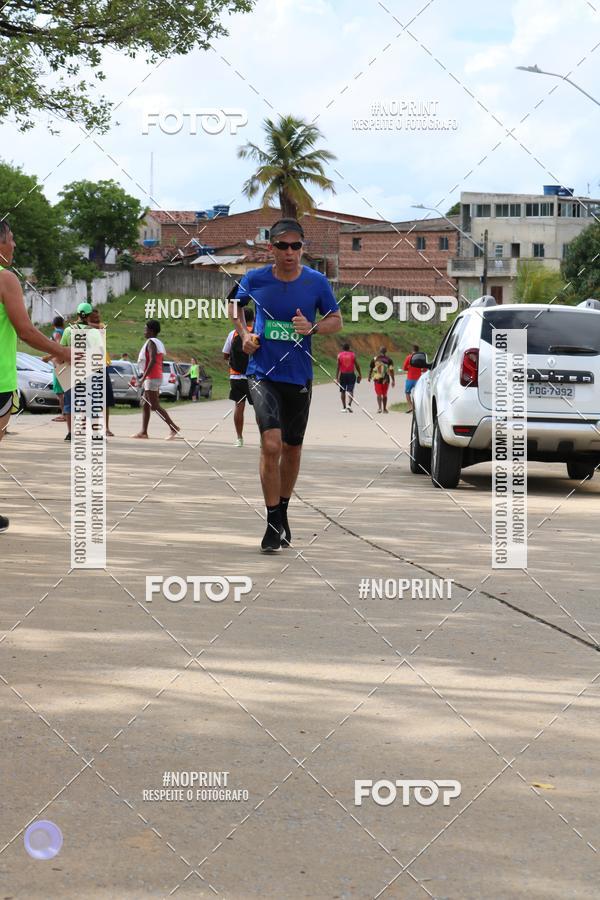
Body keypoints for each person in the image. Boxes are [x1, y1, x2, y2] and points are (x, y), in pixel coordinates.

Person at [230, 218, 342, 553]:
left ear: (303, 248)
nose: (290, 252)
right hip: (262, 373)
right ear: (271, 247)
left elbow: (336, 320)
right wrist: (245, 334)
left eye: (296, 246)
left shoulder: (316, 282)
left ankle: (282, 510)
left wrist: (312, 328)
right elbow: (234, 304)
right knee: (272, 444)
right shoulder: (255, 278)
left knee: (292, 448)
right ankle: (271, 519)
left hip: (298, 376)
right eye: (282, 246)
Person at [0, 222, 71, 532]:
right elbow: (25, 331)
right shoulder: (5, 279)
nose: (14, 246)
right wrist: (64, 352)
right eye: (12, 240)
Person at [133, 319, 181, 440]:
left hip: (152, 377)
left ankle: (173, 427)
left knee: (154, 406)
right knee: (145, 403)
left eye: (145, 329)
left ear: (151, 331)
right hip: (154, 376)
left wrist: (143, 378)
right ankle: (144, 432)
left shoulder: (151, 342)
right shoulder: (157, 342)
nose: (144, 331)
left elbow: (153, 360)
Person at [59, 302, 96, 441]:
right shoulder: (92, 332)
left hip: (69, 369)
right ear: (89, 315)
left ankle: (70, 433)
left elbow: (61, 350)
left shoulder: (68, 330)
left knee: (69, 403)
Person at [222, 305, 255, 446]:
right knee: (260, 409)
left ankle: (239, 438)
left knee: (239, 407)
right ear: (253, 319)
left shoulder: (234, 333)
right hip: (253, 377)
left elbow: (225, 355)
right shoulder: (256, 333)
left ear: (241, 319)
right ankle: (263, 438)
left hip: (236, 377)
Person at [88, 308, 115, 436]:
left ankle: (106, 428)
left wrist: (85, 323)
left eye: (98, 318)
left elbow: (99, 328)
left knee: (105, 399)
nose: (98, 320)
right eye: (94, 318)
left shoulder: (100, 327)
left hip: (102, 365)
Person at [45, 315, 66, 422]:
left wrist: (48, 357)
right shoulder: (65, 333)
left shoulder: (56, 333)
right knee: (65, 391)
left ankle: (64, 414)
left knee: (60, 392)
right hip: (63, 364)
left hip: (58, 365)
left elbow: (59, 348)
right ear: (63, 324)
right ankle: (67, 413)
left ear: (53, 324)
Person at [368, 346, 395, 413]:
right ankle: (385, 409)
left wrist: (369, 376)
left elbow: (371, 368)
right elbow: (391, 370)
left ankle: (380, 408)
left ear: (380, 351)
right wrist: (393, 380)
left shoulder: (375, 359)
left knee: (379, 394)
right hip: (386, 379)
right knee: (385, 394)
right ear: (386, 352)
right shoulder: (389, 359)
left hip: (377, 379)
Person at [336, 342, 361, 412]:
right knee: (350, 390)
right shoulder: (353, 355)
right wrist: (360, 374)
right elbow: (357, 365)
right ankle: (349, 405)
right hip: (351, 374)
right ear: (349, 348)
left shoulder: (339, 355)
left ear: (342, 348)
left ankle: (344, 407)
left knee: (342, 391)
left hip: (343, 375)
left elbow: (338, 367)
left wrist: (336, 377)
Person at [403, 343, 427, 413]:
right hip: (418, 379)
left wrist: (410, 368)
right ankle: (417, 407)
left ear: (412, 350)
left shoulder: (408, 357)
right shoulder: (421, 358)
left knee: (407, 393)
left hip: (410, 379)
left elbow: (404, 368)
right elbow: (425, 369)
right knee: (418, 393)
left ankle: (410, 406)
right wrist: (420, 369)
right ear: (418, 350)